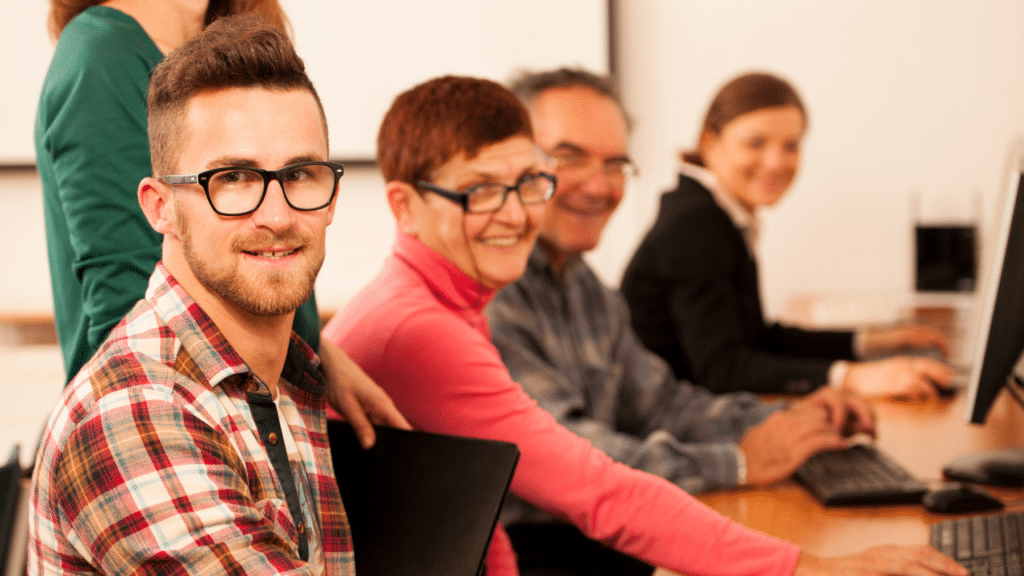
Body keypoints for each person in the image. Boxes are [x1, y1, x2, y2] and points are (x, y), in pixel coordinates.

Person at [321, 74, 965, 576]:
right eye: (480, 191)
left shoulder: (445, 297)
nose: (515, 214)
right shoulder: (419, 327)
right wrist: (808, 565)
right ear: (404, 206)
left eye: (526, 185)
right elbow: (596, 490)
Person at [486, 67, 883, 575]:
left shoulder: (584, 285)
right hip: (545, 556)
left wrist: (782, 419)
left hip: (608, 541)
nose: (599, 185)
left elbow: (661, 401)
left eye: (615, 164)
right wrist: (737, 461)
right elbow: (568, 463)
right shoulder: (491, 293)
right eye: (570, 158)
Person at [30, 17, 356, 574]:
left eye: (300, 174)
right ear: (160, 207)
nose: (276, 216)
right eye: (232, 179)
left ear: (331, 196)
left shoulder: (287, 380)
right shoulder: (134, 411)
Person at [35, 0, 405, 447]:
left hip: (274, 416)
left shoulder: (226, 46)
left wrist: (318, 357)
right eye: (232, 177)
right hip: (182, 429)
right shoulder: (104, 54)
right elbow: (126, 310)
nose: (274, 214)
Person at [621, 71, 952, 400]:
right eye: (756, 143)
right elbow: (722, 368)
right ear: (709, 142)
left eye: (791, 145)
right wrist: (850, 378)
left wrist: (866, 342)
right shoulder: (696, 222)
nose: (777, 162)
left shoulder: (717, 211)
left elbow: (756, 337)